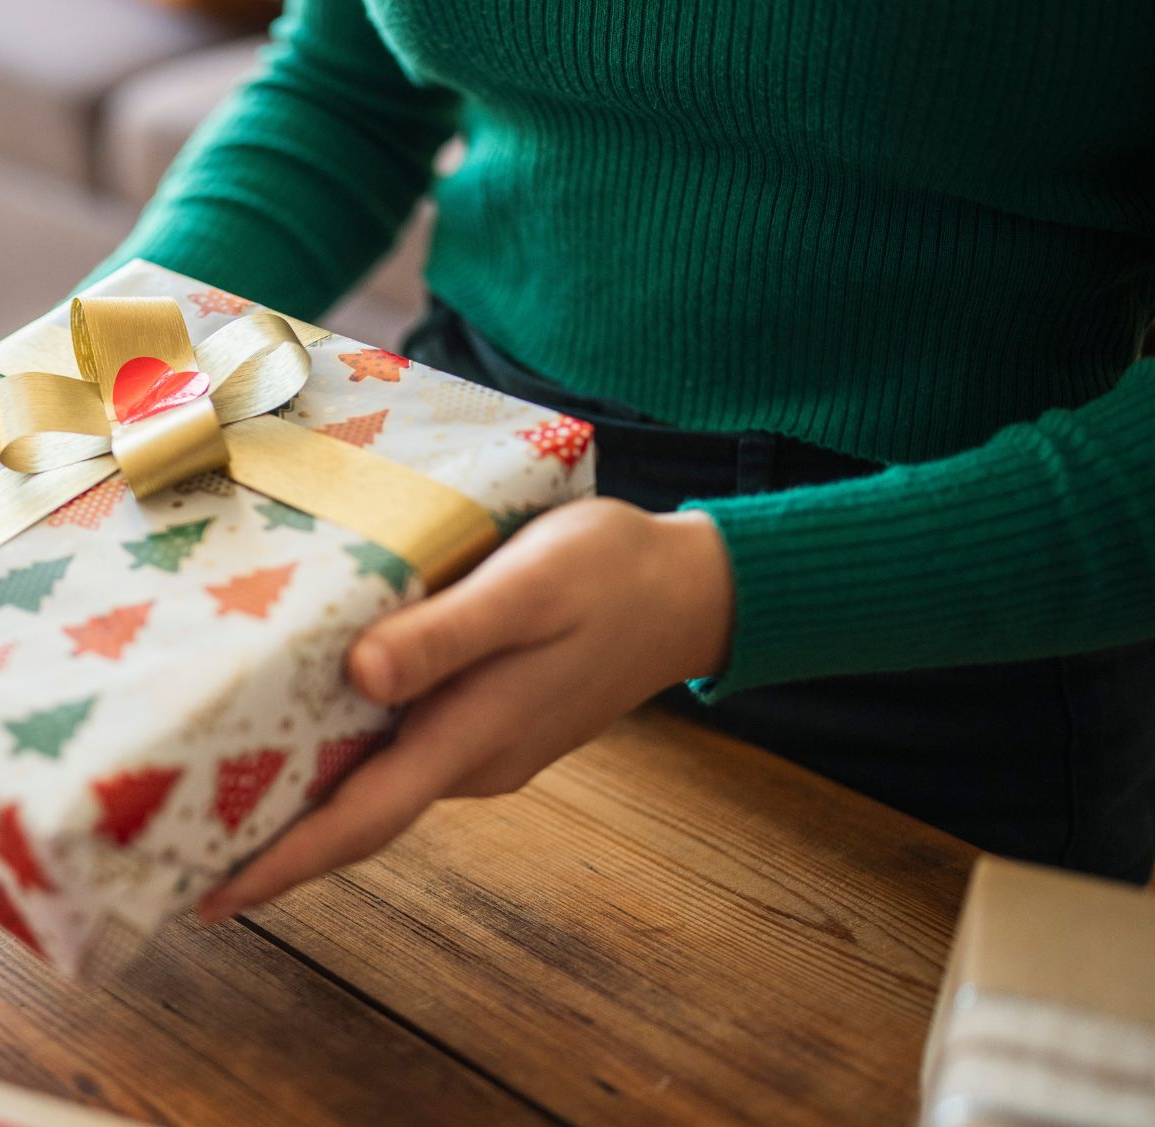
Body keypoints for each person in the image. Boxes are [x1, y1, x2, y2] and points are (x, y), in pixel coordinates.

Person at [78, 0, 1155, 922]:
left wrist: (717, 591)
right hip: (436, 494)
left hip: (918, 612)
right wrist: (111, 366)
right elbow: (342, 90)